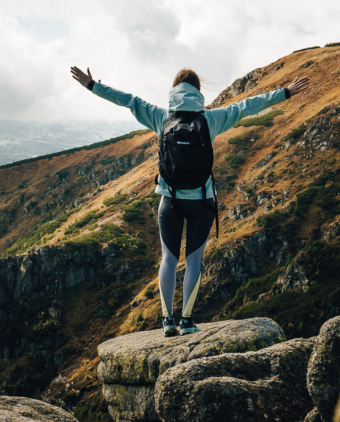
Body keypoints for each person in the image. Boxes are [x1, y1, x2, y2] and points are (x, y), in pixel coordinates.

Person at [71, 65, 310, 336]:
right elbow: (247, 106)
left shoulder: (161, 117)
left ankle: (166, 321)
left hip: (169, 201)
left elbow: (129, 100)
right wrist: (285, 93)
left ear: (174, 91)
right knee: (194, 261)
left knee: (168, 260)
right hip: (201, 202)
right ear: (198, 91)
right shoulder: (212, 119)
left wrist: (93, 86)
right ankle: (186, 321)